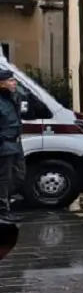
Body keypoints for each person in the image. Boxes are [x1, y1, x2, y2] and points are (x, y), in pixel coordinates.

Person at [0, 69, 22, 218]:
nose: (14, 83)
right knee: (4, 178)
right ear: (1, 83)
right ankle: (3, 209)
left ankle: (8, 202)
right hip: (5, 145)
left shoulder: (11, 98)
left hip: (16, 144)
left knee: (19, 174)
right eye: (11, 80)